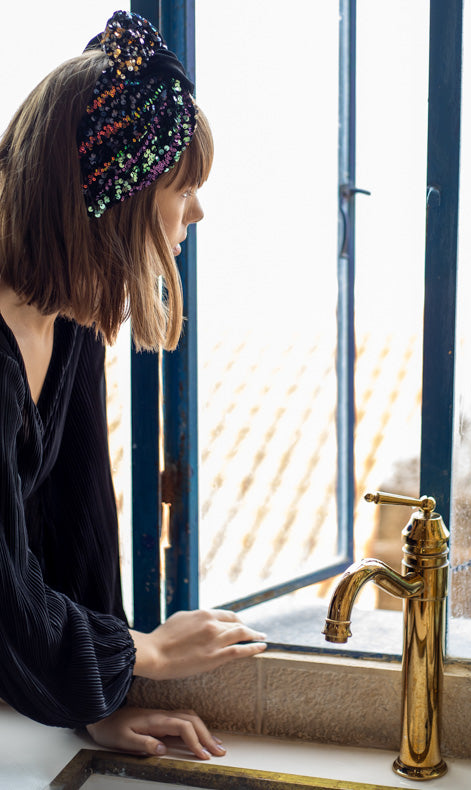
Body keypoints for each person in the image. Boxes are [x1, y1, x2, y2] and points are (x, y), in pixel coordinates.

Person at [0, 10, 266, 760]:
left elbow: (69, 512)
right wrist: (142, 654)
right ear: (114, 196)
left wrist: (95, 700)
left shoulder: (64, 305)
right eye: (183, 188)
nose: (198, 211)